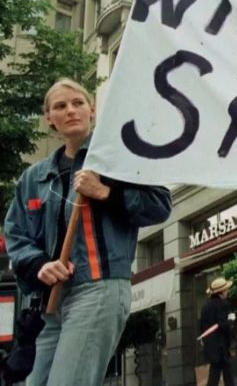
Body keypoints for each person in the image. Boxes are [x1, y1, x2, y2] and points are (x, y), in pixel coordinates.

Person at [3, 78, 172, 386]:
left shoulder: (118, 159)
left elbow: (159, 205)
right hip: (50, 303)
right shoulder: (33, 178)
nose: (70, 110)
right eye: (60, 106)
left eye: (78, 103)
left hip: (98, 287)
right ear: (48, 118)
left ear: (92, 110)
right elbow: (16, 235)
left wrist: (106, 193)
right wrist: (41, 264)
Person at [200, 277, 237, 386]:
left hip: (211, 346)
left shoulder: (205, 306)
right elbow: (223, 325)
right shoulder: (223, 304)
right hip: (221, 346)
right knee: (225, 375)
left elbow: (203, 327)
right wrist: (230, 320)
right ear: (221, 292)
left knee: (217, 374)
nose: (227, 291)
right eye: (226, 289)